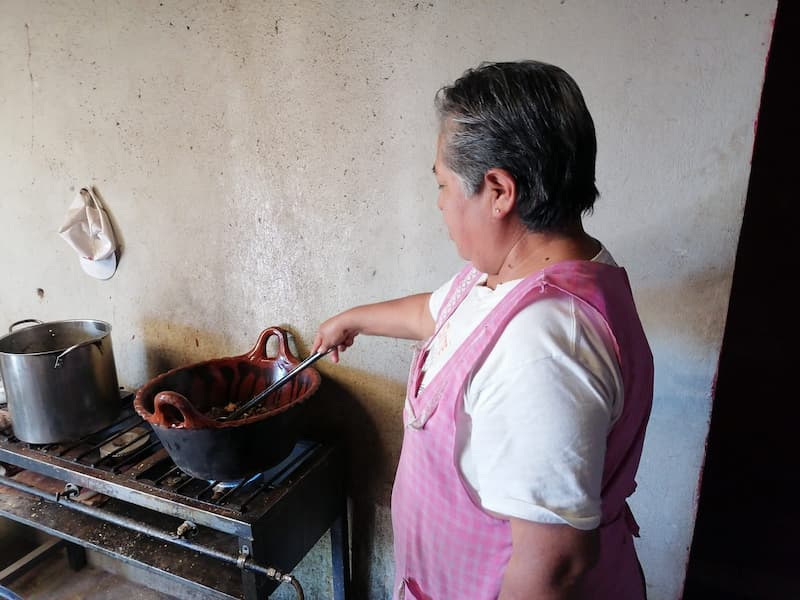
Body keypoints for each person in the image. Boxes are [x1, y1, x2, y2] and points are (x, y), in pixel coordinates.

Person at [313, 60, 653, 600]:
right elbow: (435, 314)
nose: (441, 203)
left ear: (498, 190)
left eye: (444, 184)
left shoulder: (545, 346)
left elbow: (555, 566)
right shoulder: (507, 278)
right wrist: (353, 319)